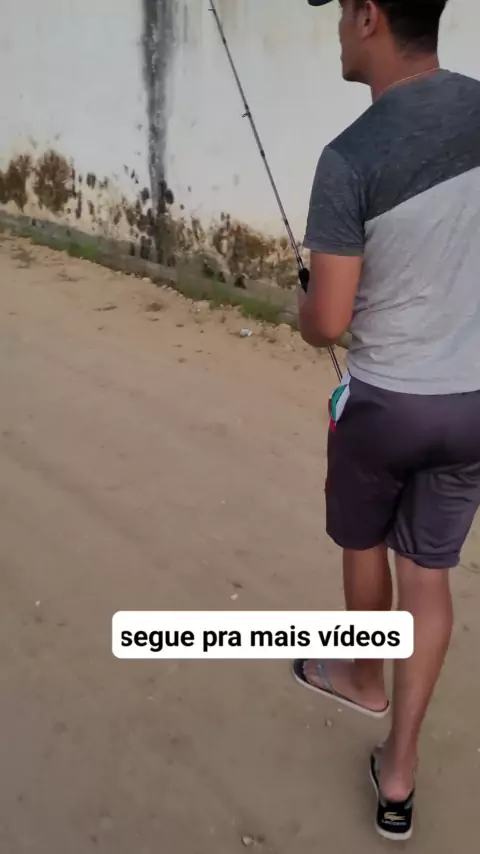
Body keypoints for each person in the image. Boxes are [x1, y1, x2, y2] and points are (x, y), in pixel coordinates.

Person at [294, 0, 480, 841]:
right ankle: (398, 774)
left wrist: (304, 305)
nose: (338, 27)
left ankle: (362, 679)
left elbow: (329, 323)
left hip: (385, 405)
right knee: (429, 578)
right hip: (473, 406)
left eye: (341, 10)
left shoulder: (349, 157)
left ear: (370, 16)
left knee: (364, 543)